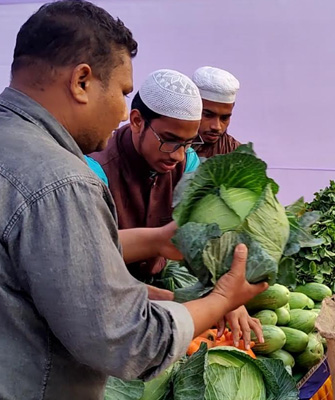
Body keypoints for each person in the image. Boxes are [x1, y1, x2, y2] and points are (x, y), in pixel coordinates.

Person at [0, 1, 267, 398]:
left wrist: (159, 239)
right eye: (124, 92)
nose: (123, 111)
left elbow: (51, 256)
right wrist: (223, 298)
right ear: (82, 82)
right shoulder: (65, 180)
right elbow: (127, 341)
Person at [90, 69, 204, 279]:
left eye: (188, 143)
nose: (178, 156)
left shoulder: (188, 163)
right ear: (136, 121)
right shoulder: (95, 170)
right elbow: (88, 251)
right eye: (169, 140)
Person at [191, 66, 241, 158]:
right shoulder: (166, 147)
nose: (216, 127)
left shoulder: (235, 153)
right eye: (208, 115)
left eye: (224, 118)